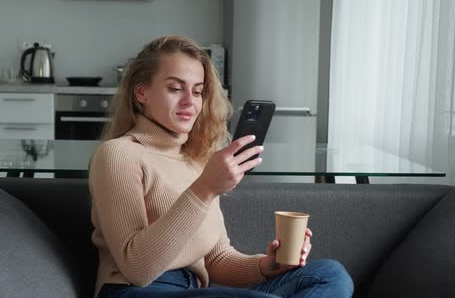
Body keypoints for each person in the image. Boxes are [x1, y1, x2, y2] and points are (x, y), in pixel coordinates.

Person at [89, 35, 354, 298]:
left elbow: (217, 258)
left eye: (197, 91)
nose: (189, 102)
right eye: (174, 88)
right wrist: (204, 189)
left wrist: (268, 265)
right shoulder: (119, 154)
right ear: (141, 93)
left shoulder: (196, 158)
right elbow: (137, 268)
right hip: (134, 290)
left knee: (329, 274)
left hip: (195, 289)